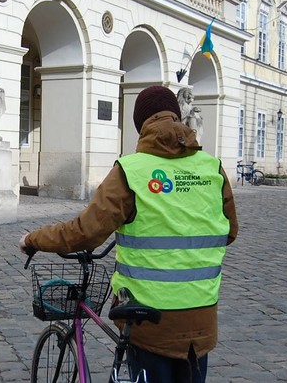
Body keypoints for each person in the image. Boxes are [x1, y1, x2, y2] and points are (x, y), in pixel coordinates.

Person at [19, 85, 238, 383]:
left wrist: (33, 239)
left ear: (141, 125)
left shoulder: (130, 170)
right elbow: (229, 232)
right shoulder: (213, 168)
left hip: (148, 321)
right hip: (201, 321)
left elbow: (85, 232)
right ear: (177, 117)